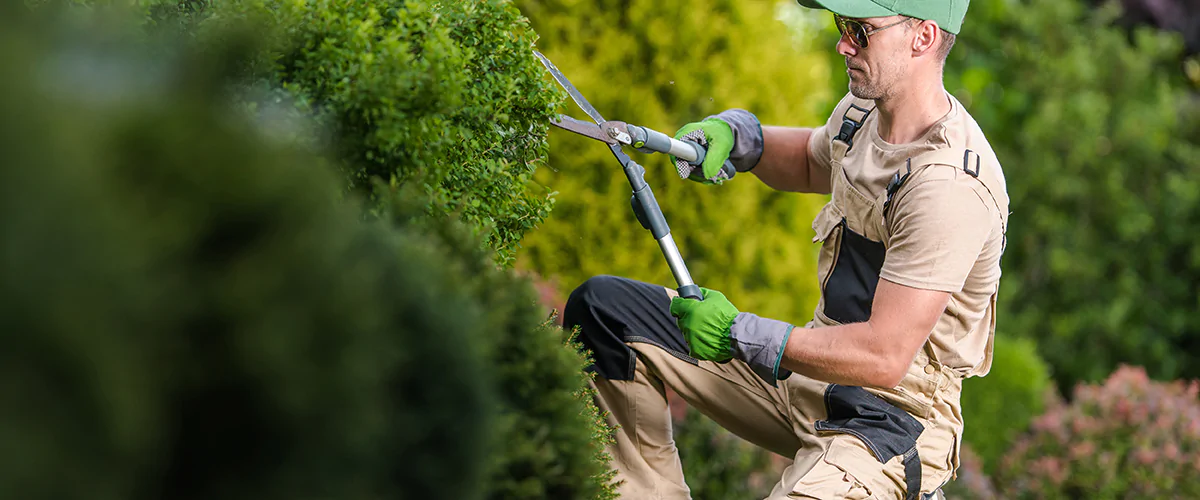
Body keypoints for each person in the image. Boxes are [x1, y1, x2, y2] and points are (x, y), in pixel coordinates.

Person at [562, 0, 1009, 498]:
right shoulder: (864, 112)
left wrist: (738, 333)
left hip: (889, 422)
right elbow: (807, 161)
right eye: (842, 26)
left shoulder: (948, 187)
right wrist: (740, 139)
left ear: (923, 37)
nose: (843, 43)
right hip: (807, 381)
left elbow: (883, 356)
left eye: (861, 31)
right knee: (605, 315)